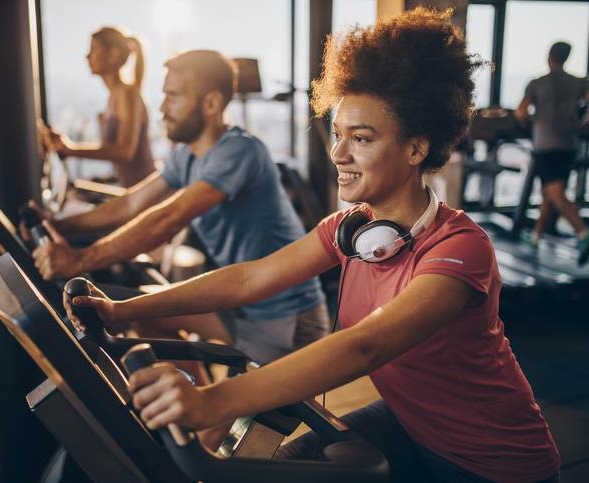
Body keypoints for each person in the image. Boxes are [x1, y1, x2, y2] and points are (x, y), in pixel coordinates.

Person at [68, 9, 561, 483]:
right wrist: (119, 309)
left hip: (491, 462)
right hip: (410, 425)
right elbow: (249, 278)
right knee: (281, 467)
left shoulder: (460, 249)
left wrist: (212, 402)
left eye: (361, 139)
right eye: (338, 133)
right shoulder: (349, 229)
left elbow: (365, 345)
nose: (339, 154)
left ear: (416, 148)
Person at [38, 49, 328, 365]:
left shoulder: (240, 151)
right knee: (149, 313)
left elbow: (170, 217)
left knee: (224, 409)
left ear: (211, 104)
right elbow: (131, 202)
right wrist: (60, 225)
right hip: (241, 306)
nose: (162, 108)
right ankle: (194, 398)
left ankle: (200, 406)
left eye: (173, 97)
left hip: (287, 320)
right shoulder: (186, 155)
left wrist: (81, 259)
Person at [44, 26, 155, 188]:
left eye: (93, 49)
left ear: (112, 55)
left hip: (145, 192)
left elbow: (125, 152)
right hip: (130, 189)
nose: (87, 56)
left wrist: (71, 149)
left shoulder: (127, 94)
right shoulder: (113, 97)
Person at [516, 41, 589, 265]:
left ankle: (583, 233)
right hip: (569, 143)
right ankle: (536, 237)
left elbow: (521, 112)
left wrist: (532, 125)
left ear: (549, 56)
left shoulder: (537, 83)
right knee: (550, 192)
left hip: (546, 143)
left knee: (554, 192)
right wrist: (582, 123)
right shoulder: (578, 82)